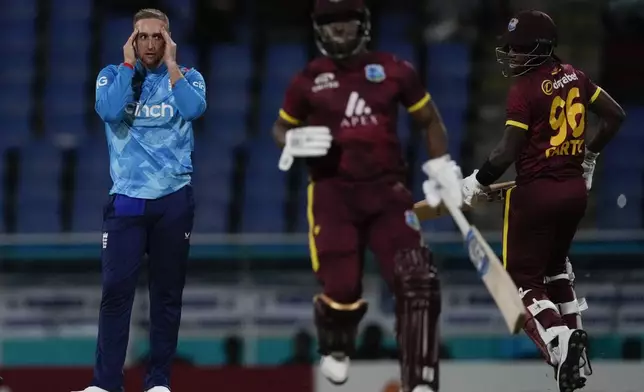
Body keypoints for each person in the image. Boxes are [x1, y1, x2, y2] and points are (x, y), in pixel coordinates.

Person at [272, 1, 463, 391]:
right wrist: (290, 140)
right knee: (342, 289)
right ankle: (336, 347)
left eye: (347, 21)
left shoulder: (395, 70)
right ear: (318, 29)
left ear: (363, 25)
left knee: (416, 280)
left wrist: (442, 164)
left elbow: (428, 120)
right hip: (332, 194)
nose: (339, 30)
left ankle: (422, 378)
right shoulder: (307, 80)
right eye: (330, 22)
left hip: (388, 192)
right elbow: (279, 127)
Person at [461, 10, 625, 392]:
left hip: (535, 194)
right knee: (556, 271)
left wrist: (476, 181)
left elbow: (505, 153)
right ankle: (577, 352)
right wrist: (588, 157)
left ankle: (560, 339)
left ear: (538, 48)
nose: (512, 56)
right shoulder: (576, 76)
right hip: (573, 193)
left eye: (519, 50)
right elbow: (615, 117)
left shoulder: (524, 90)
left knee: (524, 282)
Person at [74, 8, 207, 392]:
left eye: (157, 37)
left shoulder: (190, 78)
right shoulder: (111, 77)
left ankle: (158, 383)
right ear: (132, 40)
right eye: (142, 36)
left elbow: (194, 109)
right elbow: (110, 110)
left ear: (168, 40)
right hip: (127, 202)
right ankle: (105, 384)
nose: (150, 43)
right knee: (115, 292)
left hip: (173, 201)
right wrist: (128, 65)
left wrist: (172, 66)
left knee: (166, 295)